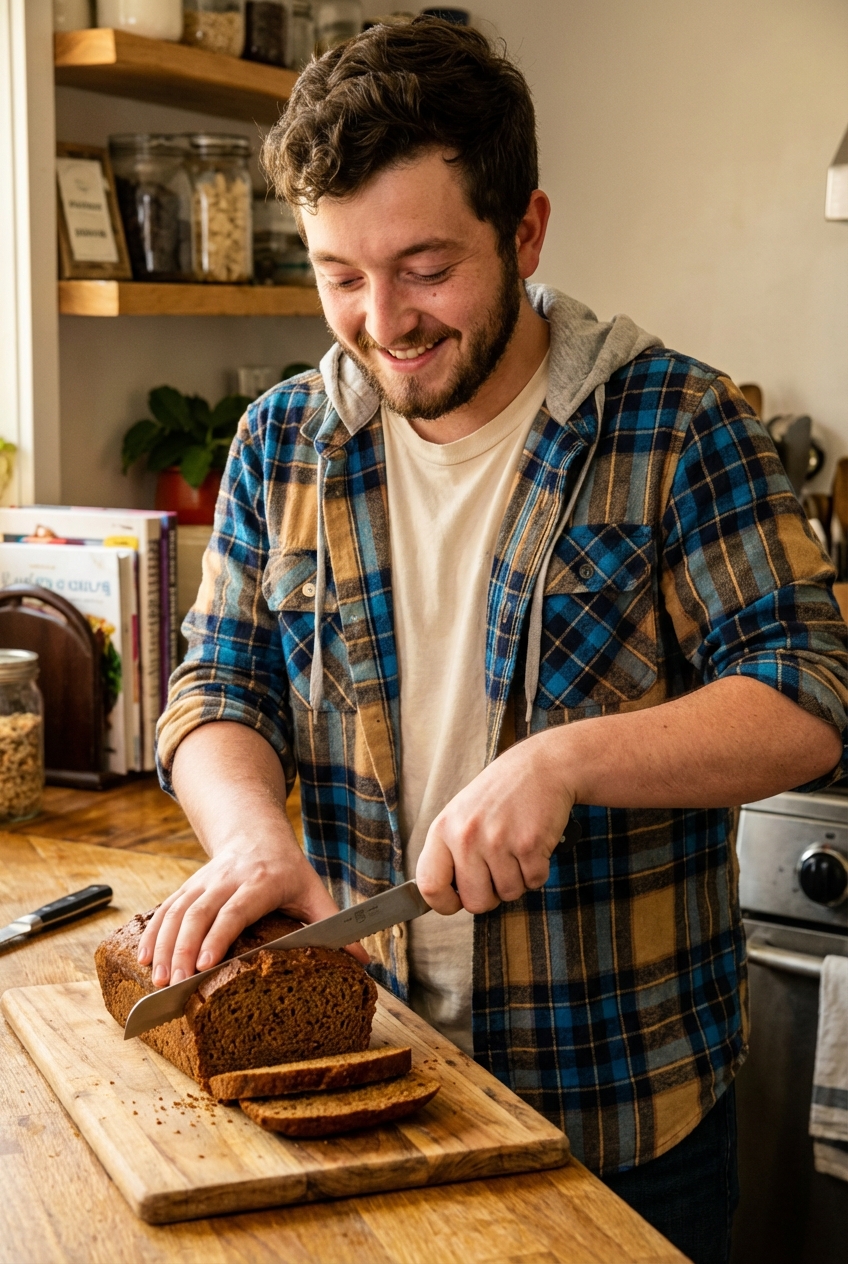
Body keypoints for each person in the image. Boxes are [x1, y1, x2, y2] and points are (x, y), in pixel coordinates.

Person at [145, 19, 846, 1264]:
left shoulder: (673, 424)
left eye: (422, 267)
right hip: (376, 1075)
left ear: (524, 232)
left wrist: (563, 761)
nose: (380, 320)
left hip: (624, 1116)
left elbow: (805, 691)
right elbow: (215, 688)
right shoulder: (280, 443)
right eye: (339, 274)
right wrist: (254, 840)